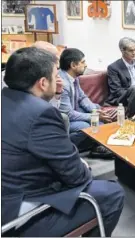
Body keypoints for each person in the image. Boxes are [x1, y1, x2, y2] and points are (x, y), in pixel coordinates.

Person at [1, 47, 124, 236]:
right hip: (18, 212)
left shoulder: (6, 99)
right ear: (42, 83)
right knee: (112, 192)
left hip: (10, 191)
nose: (58, 79)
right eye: (54, 75)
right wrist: (82, 165)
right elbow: (78, 176)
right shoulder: (41, 114)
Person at [1, 41, 70, 131]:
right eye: (53, 57)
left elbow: (51, 109)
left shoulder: (51, 76)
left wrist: (57, 93)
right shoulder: (9, 77)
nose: (57, 62)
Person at [59, 48, 113, 157]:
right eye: (83, 62)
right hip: (63, 118)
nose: (86, 65)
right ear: (73, 65)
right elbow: (67, 114)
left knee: (99, 120)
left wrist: (95, 111)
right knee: (86, 126)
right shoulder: (62, 83)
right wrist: (93, 116)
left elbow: (82, 98)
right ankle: (64, 149)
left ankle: (97, 147)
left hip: (75, 111)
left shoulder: (74, 77)